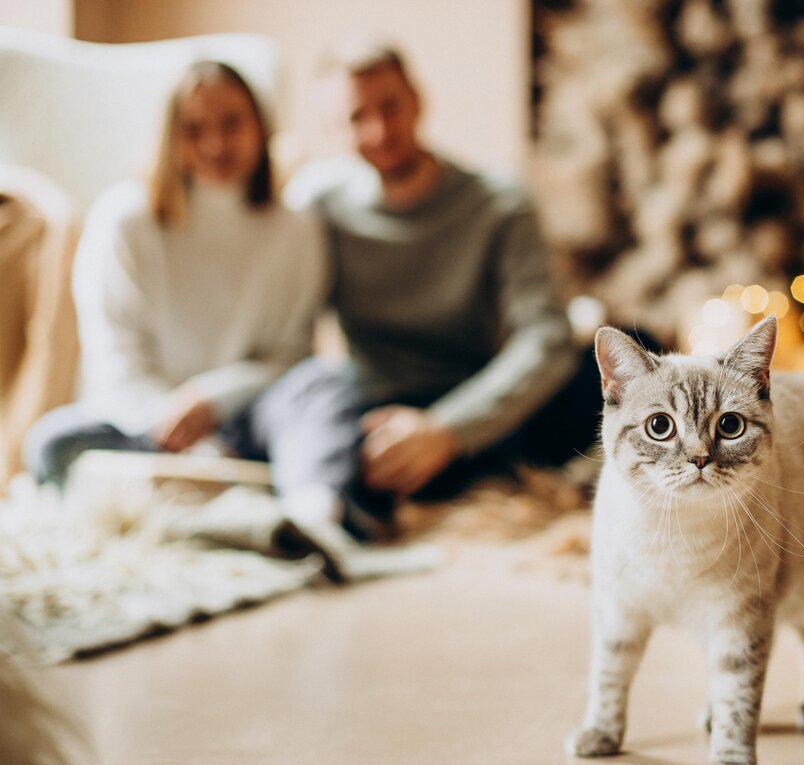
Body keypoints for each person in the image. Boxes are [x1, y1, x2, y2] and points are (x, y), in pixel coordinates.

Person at [274, 42, 595, 538]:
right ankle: (335, 509)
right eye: (357, 116)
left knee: (616, 361)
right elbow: (282, 325)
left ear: (417, 99)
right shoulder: (316, 204)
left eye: (390, 106)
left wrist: (447, 430)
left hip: (480, 407)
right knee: (312, 414)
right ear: (332, 128)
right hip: (374, 413)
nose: (379, 130)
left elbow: (545, 337)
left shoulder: (498, 203)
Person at [23, 61, 327, 495]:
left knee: (325, 394)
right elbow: (115, 364)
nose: (216, 144)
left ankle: (312, 514)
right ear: (170, 136)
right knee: (51, 444)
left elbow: (292, 357)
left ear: (261, 126)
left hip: (248, 422)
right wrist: (178, 426)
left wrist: (212, 401)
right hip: (146, 427)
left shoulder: (297, 228)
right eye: (195, 128)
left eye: (232, 123)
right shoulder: (124, 222)